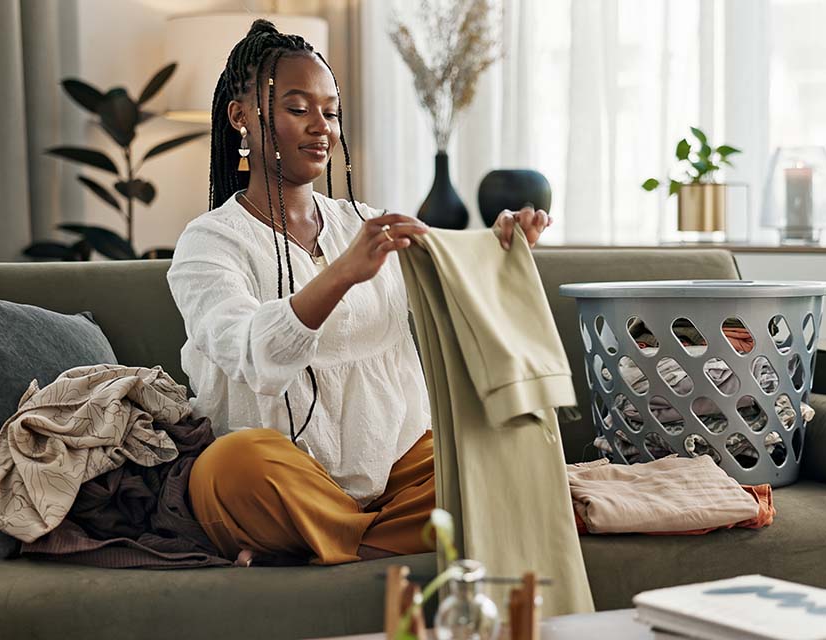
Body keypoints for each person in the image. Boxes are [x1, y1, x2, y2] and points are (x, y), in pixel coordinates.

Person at [167, 19, 551, 567]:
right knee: (230, 470)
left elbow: (451, 296)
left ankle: (331, 544)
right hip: (279, 475)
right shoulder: (209, 242)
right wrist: (341, 273)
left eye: (331, 112)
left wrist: (501, 248)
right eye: (298, 109)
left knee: (506, 460)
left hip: (394, 466)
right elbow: (254, 353)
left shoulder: (364, 221)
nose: (321, 127)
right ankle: (378, 537)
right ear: (240, 118)